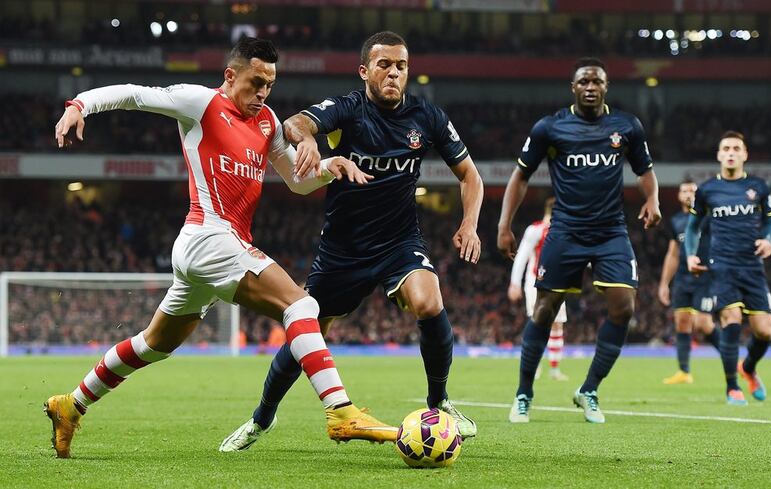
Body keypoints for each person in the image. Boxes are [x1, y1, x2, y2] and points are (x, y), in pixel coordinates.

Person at [44, 37, 395, 459]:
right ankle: (340, 411)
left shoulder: (267, 121)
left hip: (211, 249)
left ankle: (71, 404)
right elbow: (135, 94)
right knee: (301, 306)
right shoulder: (201, 103)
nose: (263, 93)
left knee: (154, 344)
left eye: (270, 84)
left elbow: (297, 180)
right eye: (256, 82)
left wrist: (328, 168)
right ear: (231, 76)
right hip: (208, 236)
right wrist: (79, 104)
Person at [220, 31, 483, 452]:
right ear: (365, 71)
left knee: (430, 300)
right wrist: (307, 139)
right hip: (342, 251)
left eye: (401, 65)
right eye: (384, 64)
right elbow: (293, 124)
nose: (394, 72)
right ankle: (260, 419)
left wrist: (469, 224)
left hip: (399, 243)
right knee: (305, 334)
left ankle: (439, 403)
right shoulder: (347, 109)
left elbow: (470, 174)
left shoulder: (427, 117)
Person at [497, 57, 661, 424]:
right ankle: (524, 393)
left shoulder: (626, 126)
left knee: (625, 307)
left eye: (597, 82)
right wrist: (504, 224)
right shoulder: (550, 128)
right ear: (573, 87)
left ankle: (589, 389)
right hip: (566, 233)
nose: (590, 87)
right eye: (584, 82)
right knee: (544, 311)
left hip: (611, 232)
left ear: (606, 87)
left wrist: (652, 200)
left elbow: (645, 170)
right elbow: (520, 176)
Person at [685, 130, 771, 406]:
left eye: (737, 148)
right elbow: (692, 228)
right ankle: (732, 388)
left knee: (765, 331)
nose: (731, 152)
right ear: (719, 155)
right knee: (731, 319)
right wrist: (690, 255)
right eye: (726, 148)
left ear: (745, 154)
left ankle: (747, 368)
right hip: (722, 265)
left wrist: (769, 241)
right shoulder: (707, 191)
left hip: (752, 267)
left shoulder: (759, 187)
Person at [507, 197, 569, 423]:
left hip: (559, 282)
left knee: (557, 323)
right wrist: (515, 283)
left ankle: (554, 368)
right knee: (538, 322)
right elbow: (522, 256)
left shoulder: (563, 229)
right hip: (535, 281)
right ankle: (538, 367)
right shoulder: (535, 230)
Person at [659, 181, 721, 385]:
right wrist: (664, 283)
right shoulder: (676, 221)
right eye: (684, 191)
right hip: (683, 279)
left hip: (705, 277)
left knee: (703, 323)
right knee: (682, 322)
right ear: (678, 196)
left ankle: (731, 358)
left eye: (693, 191)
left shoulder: (709, 217)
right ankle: (684, 372)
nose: (688, 194)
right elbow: (673, 254)